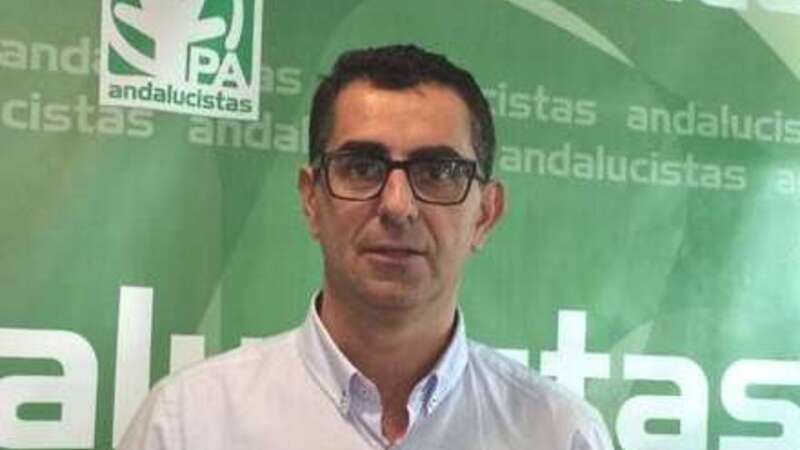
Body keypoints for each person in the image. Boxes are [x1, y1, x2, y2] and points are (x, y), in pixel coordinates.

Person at [118, 44, 613, 450]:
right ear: (312, 200)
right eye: (361, 167)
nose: (397, 205)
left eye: (437, 172)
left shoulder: (560, 435)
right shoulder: (187, 425)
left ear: (485, 214)